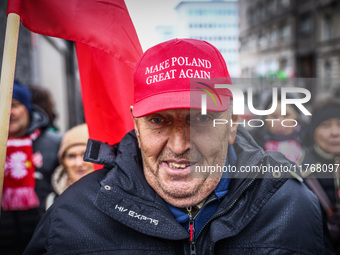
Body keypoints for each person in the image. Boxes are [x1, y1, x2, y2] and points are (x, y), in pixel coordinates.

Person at [24, 39, 334, 254]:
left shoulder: (291, 206)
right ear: (136, 124)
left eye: (200, 119)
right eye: (158, 121)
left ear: (232, 123)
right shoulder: (74, 215)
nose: (179, 144)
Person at [0, 81, 61, 255]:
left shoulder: (54, 143)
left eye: (15, 105)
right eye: (2, 104)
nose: (8, 112)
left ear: (27, 108)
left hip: (45, 243)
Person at [300, 99, 340, 254]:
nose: (335, 132)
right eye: (326, 125)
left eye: (339, 123)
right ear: (313, 131)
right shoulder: (300, 169)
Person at [45, 123, 94, 210]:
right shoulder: (52, 201)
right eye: (71, 156)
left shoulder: (114, 196)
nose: (78, 163)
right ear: (63, 161)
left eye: (86, 154)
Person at [251, 96, 305, 165]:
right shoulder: (254, 146)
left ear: (296, 118)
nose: (280, 121)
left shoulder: (310, 144)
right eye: (274, 116)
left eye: (286, 115)